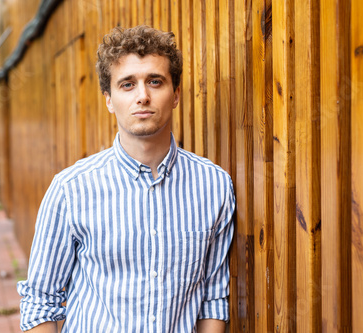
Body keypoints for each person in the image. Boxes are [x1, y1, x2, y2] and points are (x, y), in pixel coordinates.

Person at [17, 25, 235, 332]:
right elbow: (40, 302)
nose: (143, 96)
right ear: (109, 99)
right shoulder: (71, 190)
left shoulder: (214, 187)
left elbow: (213, 298)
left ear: (175, 94)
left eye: (155, 82)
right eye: (127, 85)